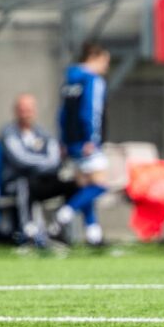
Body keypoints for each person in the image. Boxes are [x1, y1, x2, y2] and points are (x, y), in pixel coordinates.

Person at [0, 92, 74, 246]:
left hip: (42, 179)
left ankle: (59, 227)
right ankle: (29, 232)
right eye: (23, 110)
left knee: (72, 184)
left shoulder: (43, 133)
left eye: (29, 109)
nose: (26, 113)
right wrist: (44, 163)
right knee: (24, 183)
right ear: (16, 111)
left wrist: (42, 165)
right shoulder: (9, 132)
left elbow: (54, 158)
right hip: (16, 182)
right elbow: (20, 159)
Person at [57, 42, 112, 247]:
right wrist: (92, 139)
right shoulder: (92, 80)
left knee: (86, 186)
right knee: (101, 185)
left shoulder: (69, 81)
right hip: (87, 143)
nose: (106, 67)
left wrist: (65, 140)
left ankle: (93, 234)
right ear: (94, 58)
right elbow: (91, 111)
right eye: (104, 61)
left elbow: (62, 114)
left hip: (71, 142)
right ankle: (64, 214)